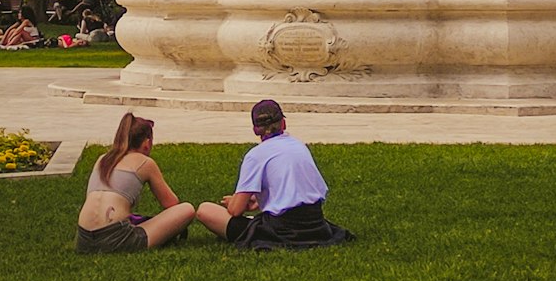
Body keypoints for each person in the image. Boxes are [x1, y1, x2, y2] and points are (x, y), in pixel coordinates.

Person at [196, 100, 353, 251]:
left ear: (255, 130)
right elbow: (295, 190)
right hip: (317, 226)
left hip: (282, 231)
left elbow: (236, 211)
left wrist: (235, 202)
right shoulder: (299, 146)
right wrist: (257, 202)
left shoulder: (256, 155)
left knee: (205, 210)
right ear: (283, 123)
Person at [76, 113, 195, 254]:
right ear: (147, 143)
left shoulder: (103, 159)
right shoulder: (145, 163)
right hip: (117, 238)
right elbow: (171, 204)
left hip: (83, 239)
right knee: (187, 209)